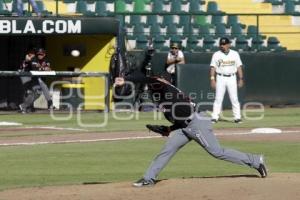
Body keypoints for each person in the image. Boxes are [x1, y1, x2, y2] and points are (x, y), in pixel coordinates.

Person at [114, 71, 267, 187]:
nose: (152, 86)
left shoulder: (165, 87)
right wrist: (169, 129)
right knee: (168, 149)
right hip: (185, 126)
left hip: (197, 122)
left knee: (217, 152)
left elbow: (149, 79)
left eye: (157, 81)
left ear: (163, 81)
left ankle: (255, 161)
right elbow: (180, 117)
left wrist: (125, 79)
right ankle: (149, 178)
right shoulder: (164, 98)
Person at [210, 37, 244, 124]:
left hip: (232, 77)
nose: (222, 46)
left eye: (224, 44)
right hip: (220, 77)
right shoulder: (216, 54)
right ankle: (214, 117)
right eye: (221, 44)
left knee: (234, 98)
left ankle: (237, 117)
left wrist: (241, 78)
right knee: (218, 98)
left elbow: (239, 67)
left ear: (229, 44)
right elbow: (213, 67)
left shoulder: (235, 54)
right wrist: (212, 79)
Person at [19, 48, 53, 113]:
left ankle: (25, 106)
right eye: (38, 54)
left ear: (44, 54)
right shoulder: (33, 59)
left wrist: (45, 68)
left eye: (41, 54)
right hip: (25, 75)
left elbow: (48, 68)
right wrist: (43, 68)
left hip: (33, 76)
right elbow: (35, 68)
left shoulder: (46, 60)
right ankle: (26, 107)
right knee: (29, 92)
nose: (39, 55)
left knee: (38, 92)